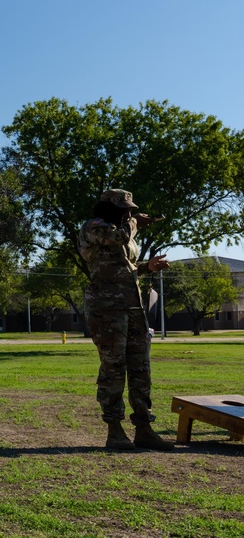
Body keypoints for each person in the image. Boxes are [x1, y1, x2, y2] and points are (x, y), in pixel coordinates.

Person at [79, 188, 173, 451]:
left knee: (140, 366)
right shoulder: (93, 228)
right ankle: (114, 429)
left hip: (133, 308)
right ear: (110, 208)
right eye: (125, 209)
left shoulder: (124, 232)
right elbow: (116, 238)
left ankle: (144, 427)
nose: (129, 213)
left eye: (130, 209)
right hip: (106, 311)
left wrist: (147, 267)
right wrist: (135, 223)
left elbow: (126, 267)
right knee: (113, 366)